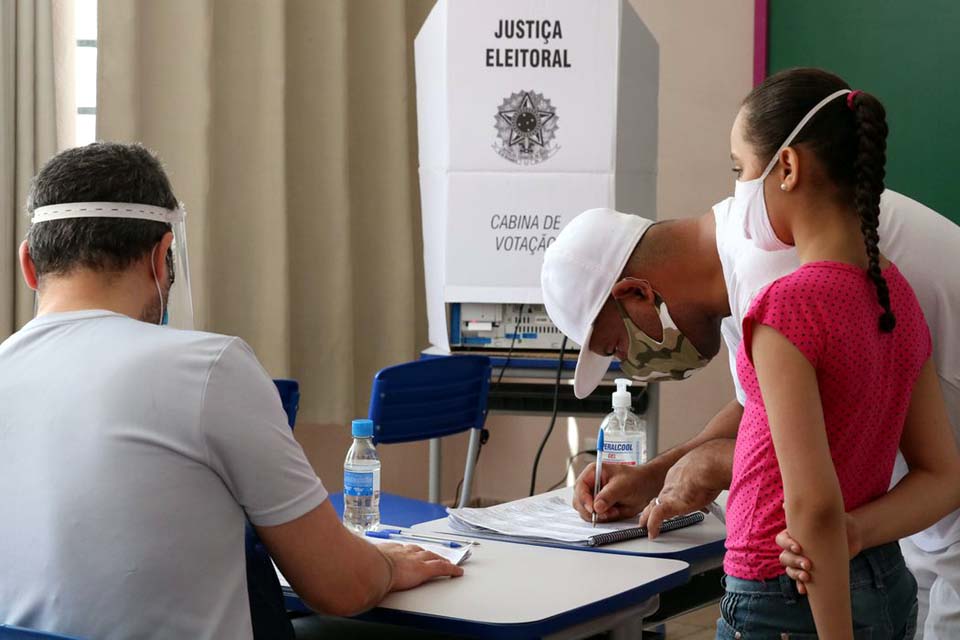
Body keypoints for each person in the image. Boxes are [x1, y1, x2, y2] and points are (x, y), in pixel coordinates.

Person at [541, 85, 960, 639]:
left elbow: (811, 473)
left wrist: (717, 465)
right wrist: (657, 473)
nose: (631, 363)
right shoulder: (750, 254)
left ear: (636, 294)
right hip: (893, 528)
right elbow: (761, 403)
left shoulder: (777, 260)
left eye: (618, 347)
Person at [0, 143, 462, 640]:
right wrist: (387, 564)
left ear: (29, 265)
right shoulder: (209, 368)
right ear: (161, 257)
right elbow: (342, 587)